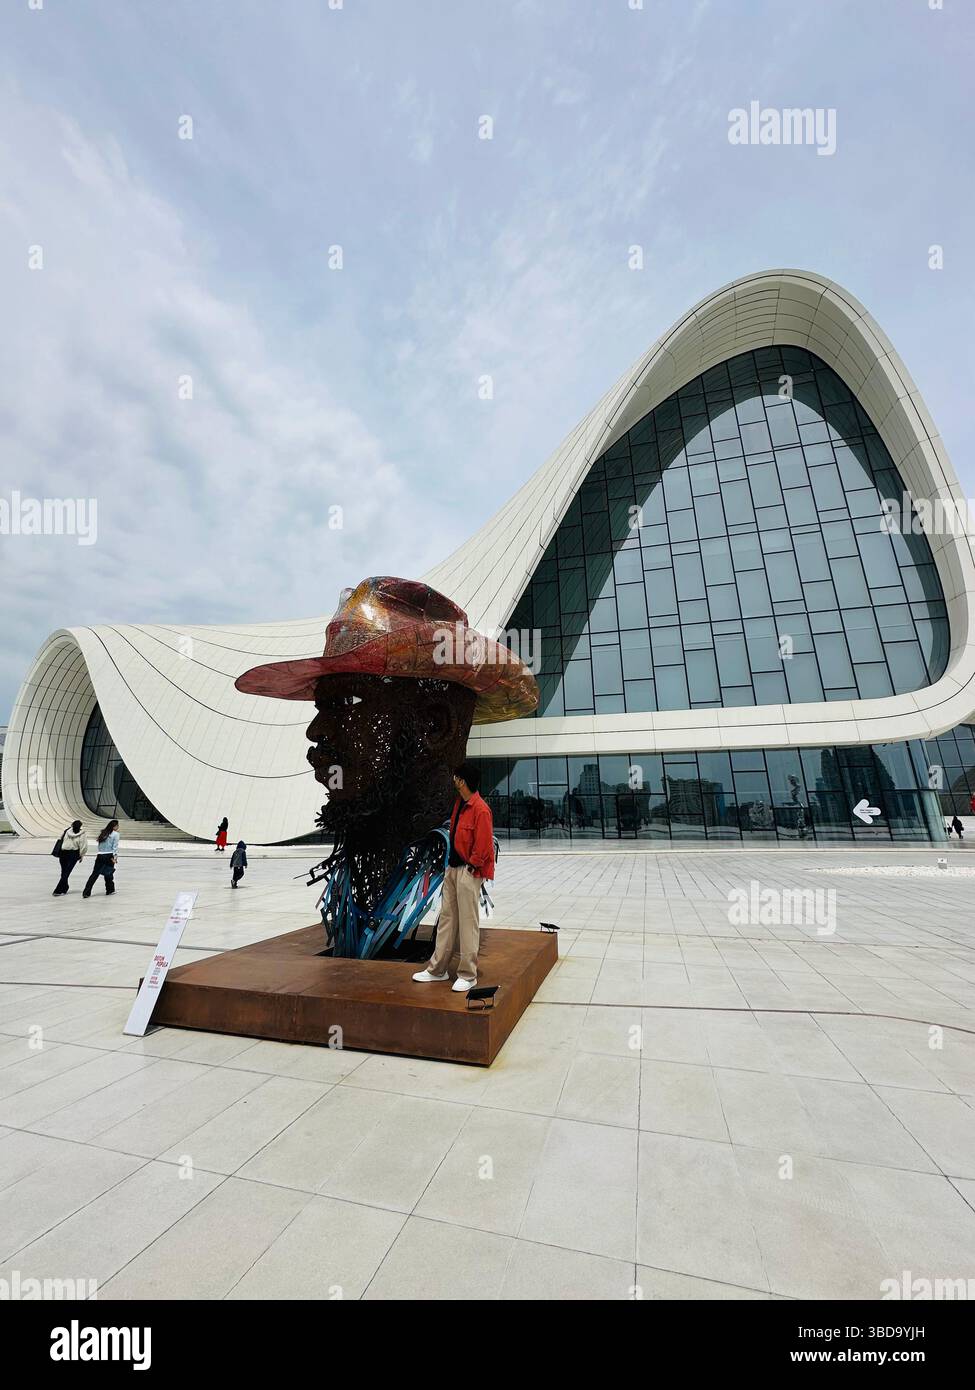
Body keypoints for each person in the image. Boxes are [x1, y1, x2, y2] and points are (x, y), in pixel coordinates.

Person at [413, 760, 495, 993]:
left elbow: (485, 846)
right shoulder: (459, 804)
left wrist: (471, 867)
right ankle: (437, 970)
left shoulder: (480, 809)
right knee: (447, 919)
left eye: (457, 777)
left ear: (464, 781)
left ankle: (468, 975)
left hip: (469, 871)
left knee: (468, 923)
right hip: (453, 869)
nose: (454, 780)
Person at [82, 819, 119, 897]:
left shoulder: (103, 833)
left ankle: (86, 892)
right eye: (117, 826)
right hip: (109, 855)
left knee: (95, 874)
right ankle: (110, 890)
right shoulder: (115, 834)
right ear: (114, 826)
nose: (118, 827)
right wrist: (115, 857)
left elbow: (100, 845)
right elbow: (115, 847)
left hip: (100, 855)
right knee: (108, 873)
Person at [53, 819, 88, 895]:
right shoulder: (82, 833)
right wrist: (82, 855)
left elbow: (60, 839)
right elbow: (83, 845)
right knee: (67, 872)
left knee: (64, 871)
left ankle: (61, 889)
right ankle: (60, 889)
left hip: (63, 852)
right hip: (73, 854)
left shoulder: (66, 831)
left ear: (72, 825)